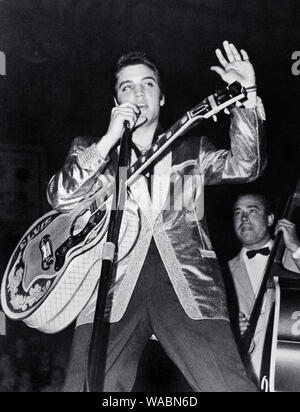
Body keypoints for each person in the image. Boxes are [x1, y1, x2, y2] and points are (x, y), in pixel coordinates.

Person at [47, 41, 266, 392]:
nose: (138, 93)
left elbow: (246, 165)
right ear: (116, 102)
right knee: (85, 386)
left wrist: (247, 98)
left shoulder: (191, 150)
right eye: (127, 87)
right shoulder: (93, 150)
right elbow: (59, 196)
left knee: (229, 385)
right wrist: (107, 142)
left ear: (162, 98)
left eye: (148, 84)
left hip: (189, 287)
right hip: (110, 289)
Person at [228, 192, 300, 384]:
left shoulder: (292, 256)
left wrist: (296, 248)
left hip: (292, 368)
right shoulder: (221, 273)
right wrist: (230, 330)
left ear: (270, 219)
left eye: (252, 210)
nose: (244, 218)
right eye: (238, 212)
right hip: (245, 374)